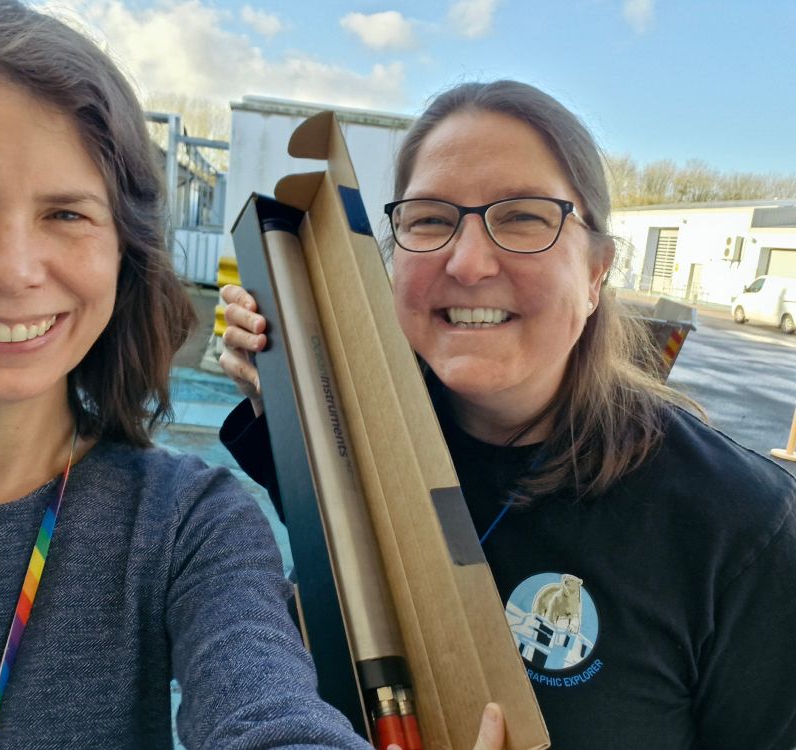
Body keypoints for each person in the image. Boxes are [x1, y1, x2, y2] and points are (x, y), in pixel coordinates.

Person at [0, 1, 377, 748]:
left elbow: (269, 713)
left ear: (122, 249)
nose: (11, 270)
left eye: (66, 214)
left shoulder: (188, 527)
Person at [219, 80, 796, 749]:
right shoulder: (366, 431)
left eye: (523, 217)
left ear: (596, 271)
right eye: (430, 219)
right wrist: (288, 410)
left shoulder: (743, 529)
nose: (467, 263)